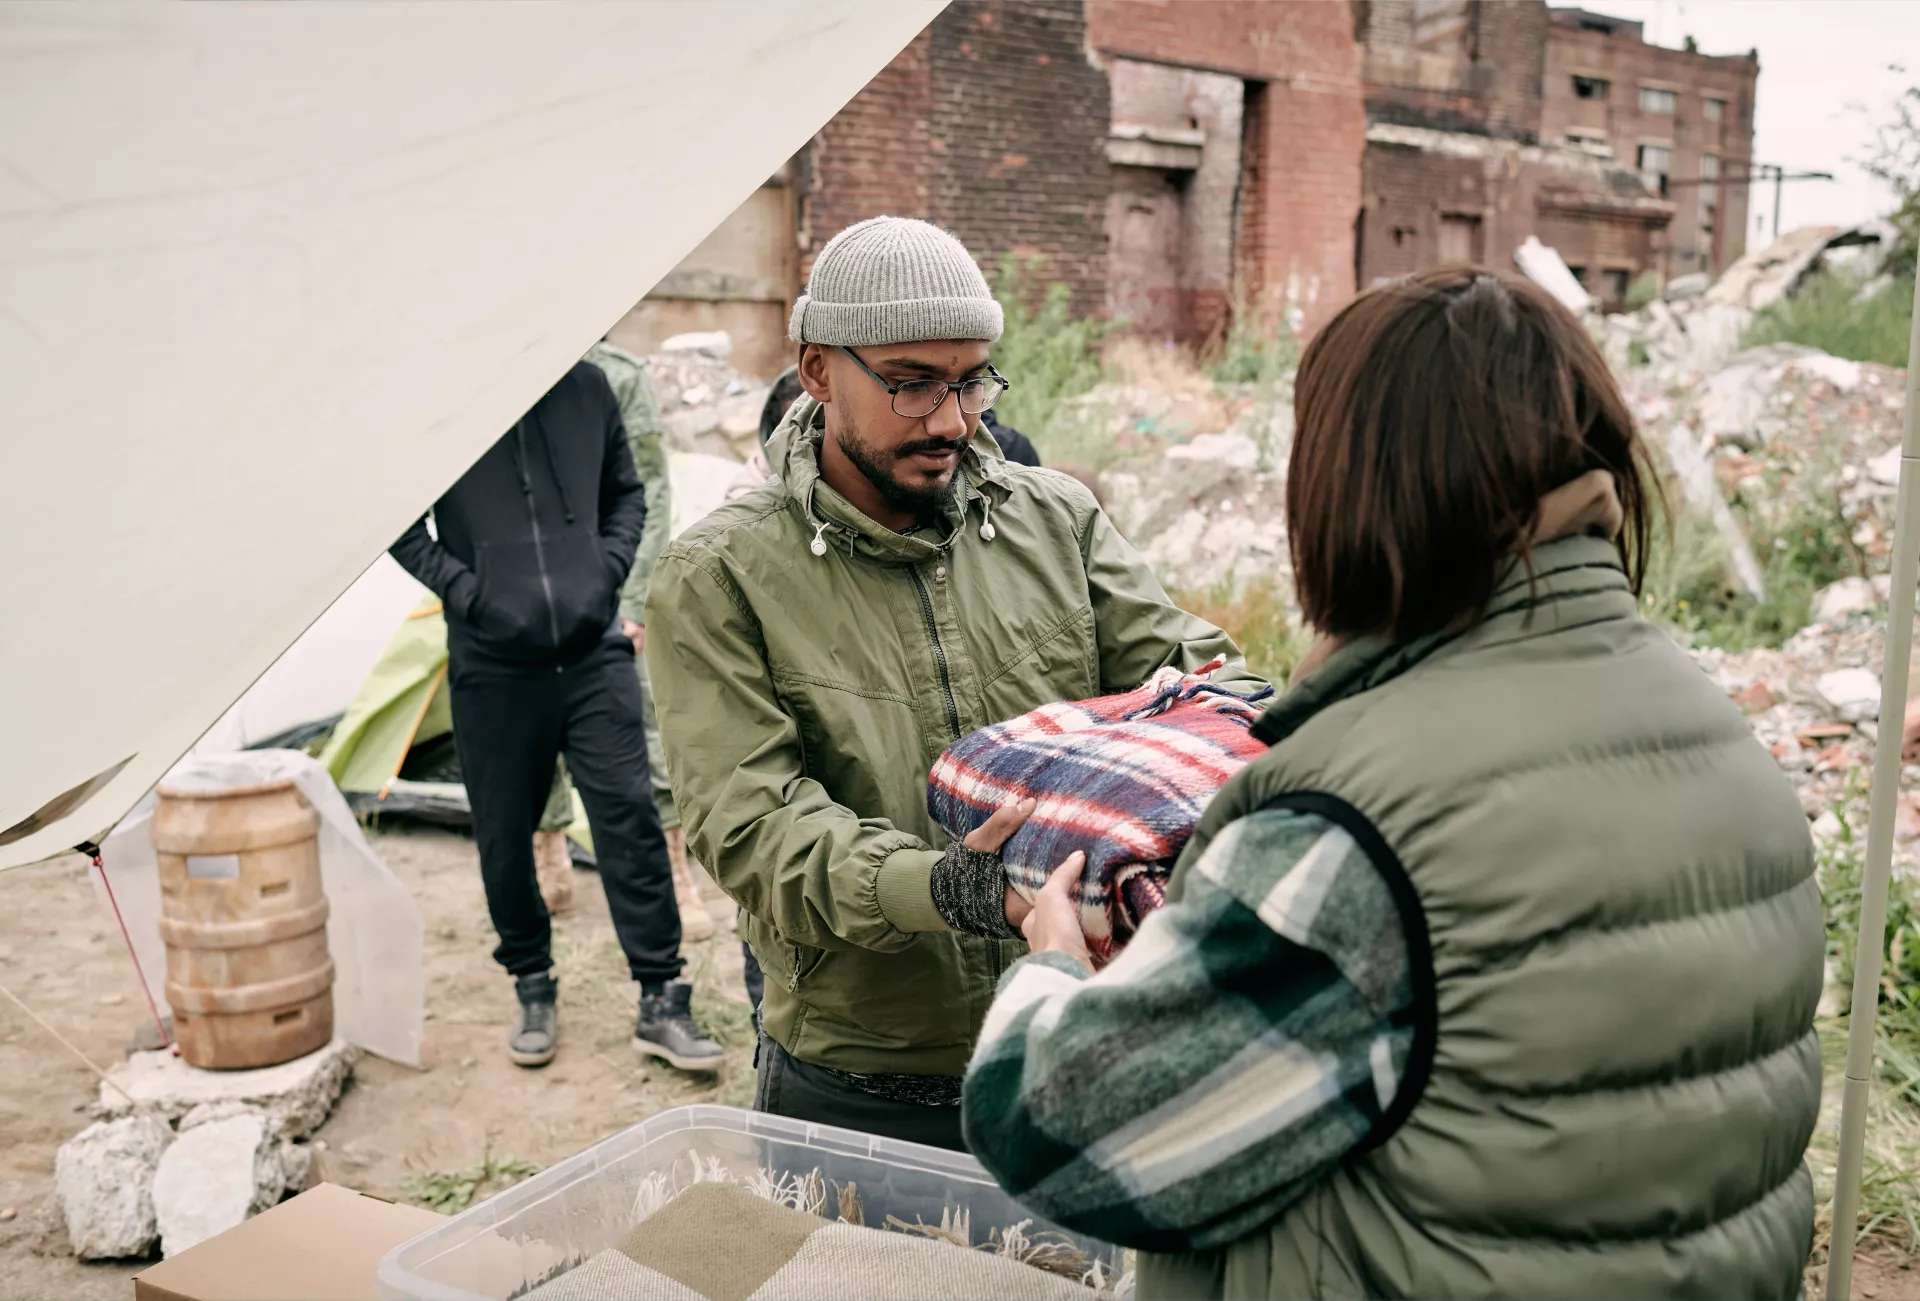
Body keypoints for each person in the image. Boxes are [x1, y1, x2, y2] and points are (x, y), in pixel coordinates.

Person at [960, 268, 1824, 1299]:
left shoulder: (1355, 831)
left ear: (1353, 485)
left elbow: (1057, 1126)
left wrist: (1053, 963)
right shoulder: (1716, 730)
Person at [646, 215, 1259, 1150]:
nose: (952, 419)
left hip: (1070, 1037)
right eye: (911, 384)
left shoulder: (1057, 520)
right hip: (863, 1074)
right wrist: (947, 889)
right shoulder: (719, 575)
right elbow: (750, 826)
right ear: (817, 371)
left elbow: (1196, 683)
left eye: (971, 379)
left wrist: (1255, 718)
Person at [390, 362, 723, 1073]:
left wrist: (602, 573)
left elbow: (627, 495)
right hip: (493, 665)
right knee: (505, 835)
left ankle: (662, 994)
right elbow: (395, 522)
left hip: (593, 651)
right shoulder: (442, 402)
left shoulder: (588, 388)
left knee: (630, 819)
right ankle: (532, 981)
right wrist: (472, 595)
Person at [535, 340, 717, 943]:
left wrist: (634, 598)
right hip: (524, 585)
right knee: (531, 733)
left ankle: (673, 872)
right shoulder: (503, 367)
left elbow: (649, 487)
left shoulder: (617, 374)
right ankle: (548, 850)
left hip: (605, 586)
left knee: (645, 724)